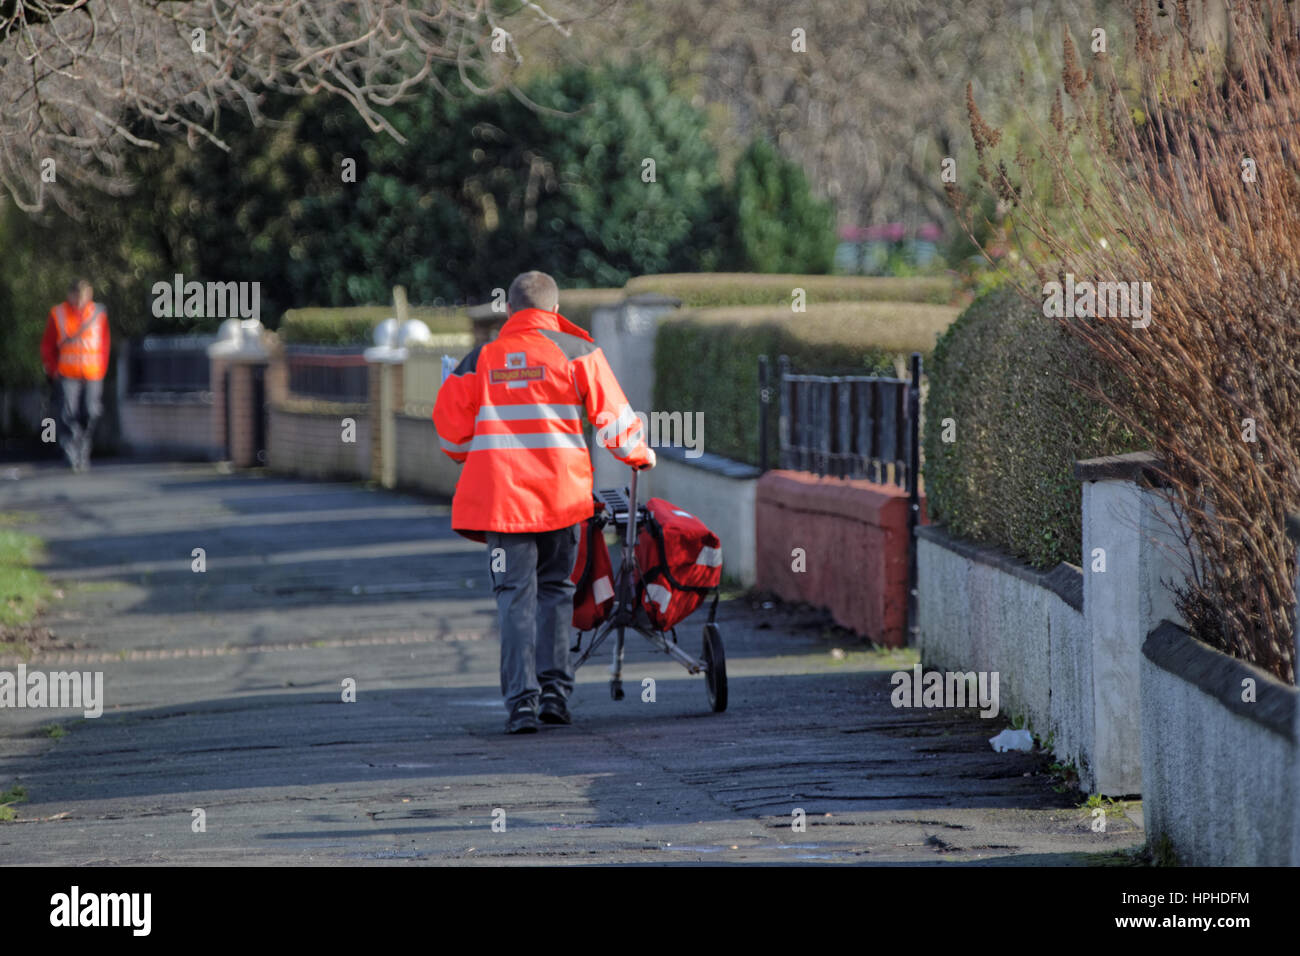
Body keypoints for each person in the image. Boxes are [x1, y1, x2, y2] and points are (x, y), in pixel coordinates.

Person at [433, 271, 655, 734]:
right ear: (554, 312)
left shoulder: (481, 359)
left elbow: (451, 437)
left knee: (514, 598)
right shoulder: (577, 353)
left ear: (510, 312)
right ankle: (556, 691)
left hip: (502, 505)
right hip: (561, 502)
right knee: (556, 592)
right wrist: (639, 454)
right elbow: (615, 421)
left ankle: (521, 703)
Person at [41, 279, 110, 472]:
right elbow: (48, 345)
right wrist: (53, 369)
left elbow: (104, 343)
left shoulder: (98, 314)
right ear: (69, 295)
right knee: (68, 414)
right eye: (76, 296)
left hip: (93, 372)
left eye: (84, 296)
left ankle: (83, 450)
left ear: (90, 295)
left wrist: (102, 368)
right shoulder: (58, 313)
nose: (80, 300)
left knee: (91, 411)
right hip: (67, 373)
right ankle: (71, 454)